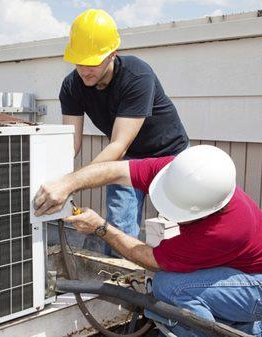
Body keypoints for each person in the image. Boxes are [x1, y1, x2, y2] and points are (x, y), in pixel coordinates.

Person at [33, 145, 262, 337]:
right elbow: (114, 170)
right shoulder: (181, 172)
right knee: (174, 292)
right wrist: (67, 184)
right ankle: (248, 329)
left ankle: (238, 323)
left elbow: (151, 260)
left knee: (170, 288)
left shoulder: (221, 230)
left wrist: (101, 227)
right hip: (243, 272)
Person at [59, 8, 189, 254]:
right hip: (128, 159)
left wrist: (72, 183)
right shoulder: (72, 86)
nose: (85, 70)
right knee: (118, 227)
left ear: (112, 55)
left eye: (93, 62)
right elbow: (70, 144)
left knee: (179, 227)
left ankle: (175, 285)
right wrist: (56, 180)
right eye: (79, 61)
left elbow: (119, 144)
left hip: (170, 156)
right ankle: (119, 285)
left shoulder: (137, 75)